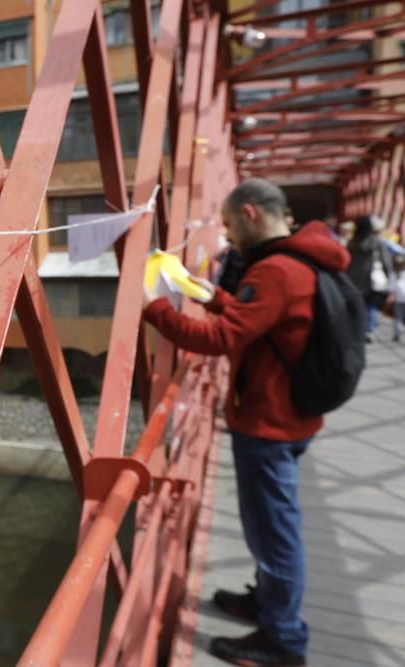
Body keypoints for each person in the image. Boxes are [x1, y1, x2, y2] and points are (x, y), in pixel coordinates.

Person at [142, 178, 350, 667]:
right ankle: (266, 602)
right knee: (272, 526)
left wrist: (152, 309)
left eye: (231, 225)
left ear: (251, 213)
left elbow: (221, 339)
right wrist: (214, 295)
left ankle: (283, 640)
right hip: (291, 416)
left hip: (268, 424)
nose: (229, 238)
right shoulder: (305, 259)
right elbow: (263, 320)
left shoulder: (276, 270)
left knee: (274, 533)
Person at [346, 215, 391, 342]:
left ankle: (357, 327)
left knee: (359, 304)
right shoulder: (377, 242)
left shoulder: (352, 242)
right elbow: (385, 261)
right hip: (371, 278)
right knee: (371, 306)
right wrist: (387, 276)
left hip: (354, 278)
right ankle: (369, 330)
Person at [393, 254, 405, 343]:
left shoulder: (395, 272)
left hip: (398, 297)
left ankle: (397, 333)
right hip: (400, 296)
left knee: (398, 316)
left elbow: (392, 286)